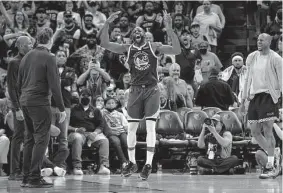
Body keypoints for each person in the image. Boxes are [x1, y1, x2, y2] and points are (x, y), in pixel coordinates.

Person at [100, 11, 181, 180]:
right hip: (135, 90)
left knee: (151, 127)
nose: (137, 32)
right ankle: (132, 162)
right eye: (134, 31)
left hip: (151, 90)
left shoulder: (154, 46)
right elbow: (105, 43)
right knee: (131, 129)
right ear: (131, 36)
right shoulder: (127, 48)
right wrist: (107, 23)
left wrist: (170, 28)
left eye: (140, 31)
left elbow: (176, 49)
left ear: (145, 35)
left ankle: (148, 164)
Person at [17, 27, 66, 188]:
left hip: (25, 101)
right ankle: (34, 177)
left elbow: (18, 84)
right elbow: (55, 84)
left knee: (30, 139)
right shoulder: (49, 57)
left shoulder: (26, 56)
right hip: (39, 102)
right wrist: (61, 107)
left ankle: (25, 177)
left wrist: (22, 102)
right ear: (50, 40)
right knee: (41, 140)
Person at [240, 33, 282, 179]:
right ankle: (274, 153)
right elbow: (247, 79)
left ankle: (271, 165)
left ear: (269, 42)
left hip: (269, 96)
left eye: (262, 40)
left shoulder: (276, 59)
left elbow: (282, 80)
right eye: (257, 39)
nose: (259, 42)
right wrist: (243, 99)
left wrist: (279, 99)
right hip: (254, 97)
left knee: (267, 130)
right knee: (254, 132)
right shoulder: (251, 57)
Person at [7, 36, 32, 181]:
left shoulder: (30, 60)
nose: (31, 45)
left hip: (31, 104)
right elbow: (11, 87)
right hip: (20, 105)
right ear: (21, 46)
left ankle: (27, 170)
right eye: (29, 43)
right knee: (18, 137)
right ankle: (14, 171)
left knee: (30, 137)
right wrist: (17, 108)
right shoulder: (14, 62)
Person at [68, 88, 110, 175]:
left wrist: (95, 133)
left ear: (91, 98)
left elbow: (101, 125)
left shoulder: (96, 110)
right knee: (78, 138)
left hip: (92, 133)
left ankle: (103, 166)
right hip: (76, 133)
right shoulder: (72, 109)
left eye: (88, 96)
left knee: (104, 141)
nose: (85, 97)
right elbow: (66, 125)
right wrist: (75, 129)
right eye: (83, 95)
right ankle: (77, 166)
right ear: (79, 97)